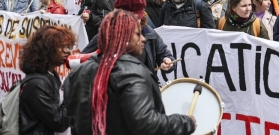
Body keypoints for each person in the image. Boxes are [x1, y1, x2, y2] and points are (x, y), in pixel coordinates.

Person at [65, 10, 196, 135]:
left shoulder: (79, 72)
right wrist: (185, 122)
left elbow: (71, 119)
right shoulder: (133, 73)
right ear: (124, 37)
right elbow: (145, 124)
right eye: (138, 34)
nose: (143, 39)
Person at [82, 0, 175, 75]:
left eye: (137, 18)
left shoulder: (149, 32)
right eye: (130, 19)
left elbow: (164, 54)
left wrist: (167, 61)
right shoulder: (106, 35)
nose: (142, 39)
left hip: (145, 86)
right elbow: (83, 61)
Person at [19, 25, 76, 135]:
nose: (67, 51)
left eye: (69, 47)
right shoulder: (38, 84)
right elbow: (58, 122)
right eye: (62, 47)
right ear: (47, 49)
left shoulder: (51, 75)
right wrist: (72, 92)